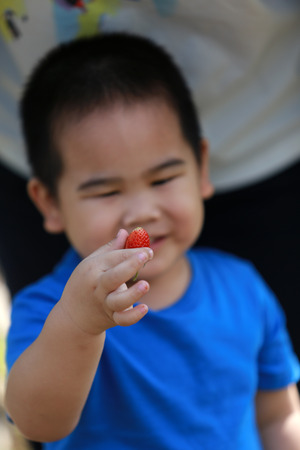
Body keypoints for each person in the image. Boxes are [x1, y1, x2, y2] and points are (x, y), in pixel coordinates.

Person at [4, 33, 300, 450]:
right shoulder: (49, 309)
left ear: (200, 168)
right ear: (49, 202)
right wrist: (78, 324)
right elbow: (37, 424)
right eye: (107, 191)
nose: (142, 211)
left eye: (162, 179)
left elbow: (278, 414)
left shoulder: (243, 287)